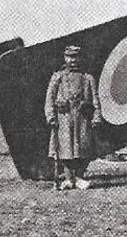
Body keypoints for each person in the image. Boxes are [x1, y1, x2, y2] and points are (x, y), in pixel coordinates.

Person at [44, 44, 102, 189]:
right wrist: (51, 116)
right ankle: (68, 178)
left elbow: (95, 98)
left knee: (83, 148)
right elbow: (49, 99)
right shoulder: (58, 77)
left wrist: (96, 116)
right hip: (64, 118)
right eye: (70, 57)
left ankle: (80, 177)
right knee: (65, 149)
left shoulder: (88, 78)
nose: (73, 60)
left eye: (76, 57)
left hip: (82, 118)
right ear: (65, 58)